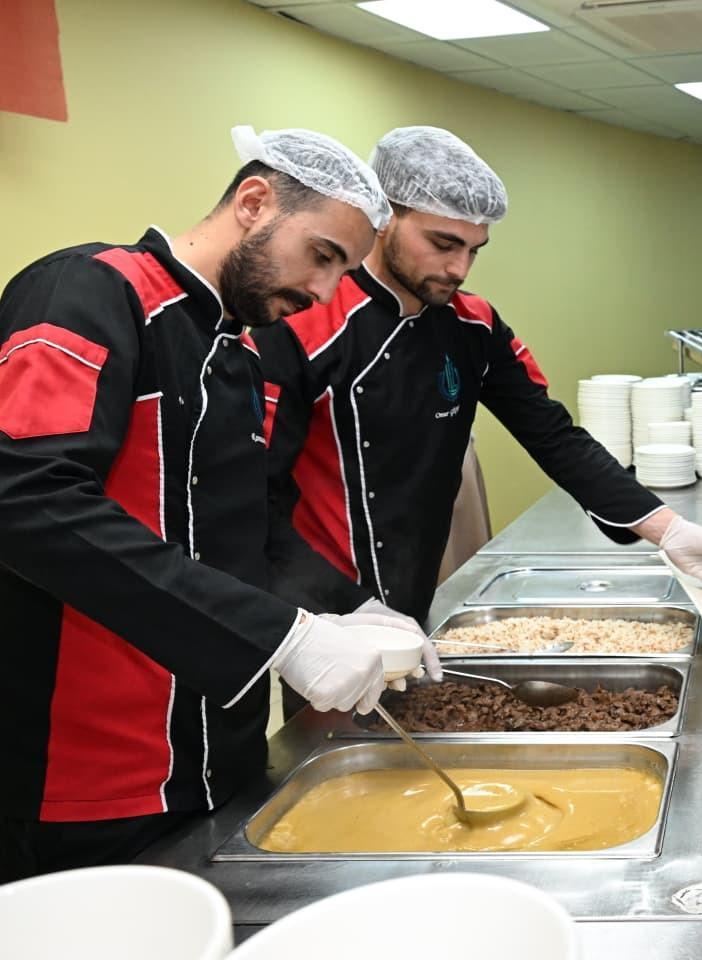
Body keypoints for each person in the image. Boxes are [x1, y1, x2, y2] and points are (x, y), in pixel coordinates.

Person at [0, 126, 430, 881]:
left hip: (219, 760)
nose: (324, 292)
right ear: (254, 202)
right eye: (322, 255)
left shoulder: (242, 351)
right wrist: (281, 639)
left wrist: (347, 606)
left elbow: (248, 527)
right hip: (82, 781)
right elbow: (26, 499)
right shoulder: (89, 292)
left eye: (343, 271)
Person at [255, 126, 702, 639]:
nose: (459, 268)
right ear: (385, 217)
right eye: (443, 244)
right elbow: (260, 499)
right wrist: (337, 612)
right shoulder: (306, 324)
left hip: (417, 590)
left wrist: (668, 529)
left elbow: (554, 436)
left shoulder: (474, 325)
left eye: (474, 250)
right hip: (323, 609)